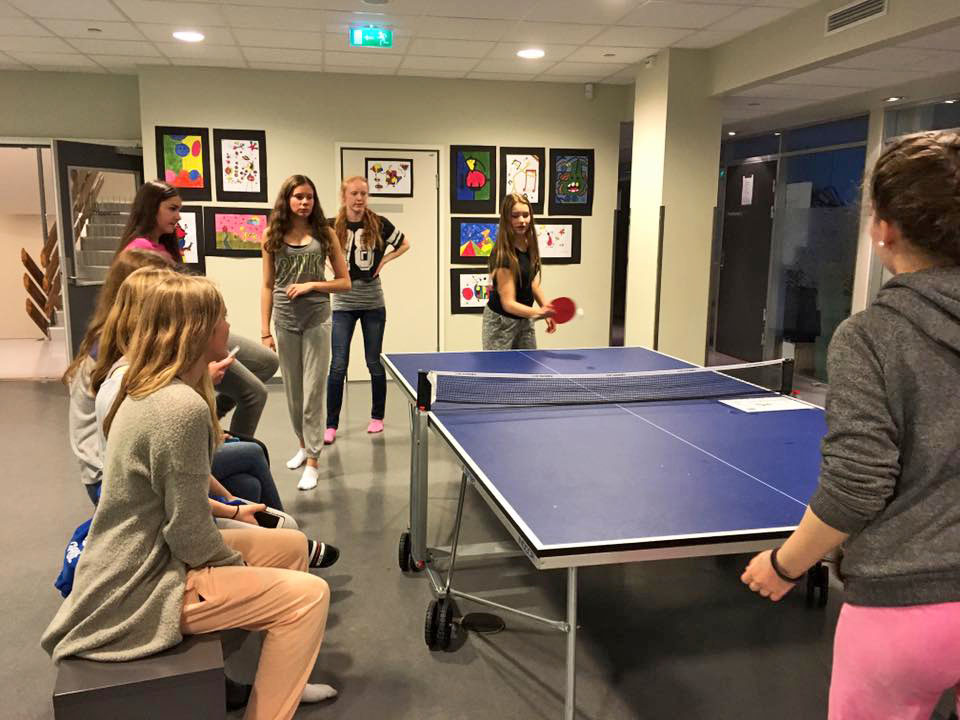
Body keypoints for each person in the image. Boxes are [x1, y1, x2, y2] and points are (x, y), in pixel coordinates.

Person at [42, 274, 337, 720]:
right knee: (309, 596)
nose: (228, 325)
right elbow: (189, 535)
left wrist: (232, 517)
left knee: (292, 546)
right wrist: (241, 569)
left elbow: (178, 504)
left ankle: (285, 673)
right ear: (197, 332)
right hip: (147, 580)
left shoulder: (157, 390)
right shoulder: (179, 408)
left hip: (156, 549)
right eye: (221, 317)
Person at [740, 131, 960, 720]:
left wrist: (784, 564)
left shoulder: (872, 336)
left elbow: (858, 484)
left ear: (884, 229)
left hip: (907, 603)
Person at [118, 179, 279, 437]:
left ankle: (210, 419)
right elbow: (154, 316)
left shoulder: (165, 246)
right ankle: (228, 444)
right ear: (151, 208)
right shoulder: (139, 252)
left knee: (267, 362)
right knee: (254, 394)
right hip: (181, 339)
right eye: (172, 209)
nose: (178, 216)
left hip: (199, 330)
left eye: (179, 209)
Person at [62, 249, 174, 504]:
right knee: (248, 457)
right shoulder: (112, 351)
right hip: (106, 473)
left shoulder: (122, 339)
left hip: (120, 461)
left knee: (245, 472)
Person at [261, 175, 350, 490]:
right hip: (285, 322)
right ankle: (302, 445)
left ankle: (313, 460)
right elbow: (267, 285)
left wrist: (313, 284)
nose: (304, 202)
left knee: (313, 392)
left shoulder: (325, 234)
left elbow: (344, 282)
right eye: (298, 196)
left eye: (309, 197)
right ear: (287, 200)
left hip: (317, 320)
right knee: (294, 393)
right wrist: (265, 331)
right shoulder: (272, 235)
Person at [324, 175, 409, 443]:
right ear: (344, 196)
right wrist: (329, 269)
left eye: (363, 193)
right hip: (343, 302)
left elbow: (405, 243)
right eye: (354, 193)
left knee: (374, 362)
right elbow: (314, 248)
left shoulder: (379, 223)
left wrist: (384, 261)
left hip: (373, 302)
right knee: (338, 364)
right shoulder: (330, 225)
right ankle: (331, 424)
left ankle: (377, 417)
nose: (359, 198)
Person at [482, 193, 556, 350]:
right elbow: (508, 304)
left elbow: (532, 282)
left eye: (526, 215)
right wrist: (539, 312)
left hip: (525, 319)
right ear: (506, 218)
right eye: (515, 216)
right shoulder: (502, 255)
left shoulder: (530, 244)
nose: (522, 220)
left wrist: (546, 308)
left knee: (528, 363)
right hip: (501, 324)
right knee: (497, 366)